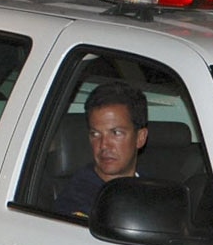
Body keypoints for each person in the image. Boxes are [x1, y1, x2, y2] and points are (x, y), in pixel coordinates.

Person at [58, 82, 150, 217]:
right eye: (95, 134)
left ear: (140, 138)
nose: (104, 145)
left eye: (116, 133)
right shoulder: (77, 202)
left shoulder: (152, 189)